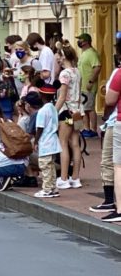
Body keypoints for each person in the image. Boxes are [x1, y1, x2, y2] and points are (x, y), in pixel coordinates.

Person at [55, 44, 84, 190]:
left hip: (67, 112)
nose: (57, 59)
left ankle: (64, 178)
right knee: (75, 143)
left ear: (64, 56)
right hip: (78, 111)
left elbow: (62, 96)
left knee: (63, 143)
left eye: (59, 56)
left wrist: (54, 112)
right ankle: (75, 177)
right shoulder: (77, 71)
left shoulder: (64, 74)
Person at [23, 91, 61, 199]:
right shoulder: (52, 107)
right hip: (53, 141)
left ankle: (47, 189)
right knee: (51, 166)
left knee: (45, 166)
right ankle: (53, 188)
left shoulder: (41, 112)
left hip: (46, 143)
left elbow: (39, 128)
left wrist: (35, 142)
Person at [99, 37, 121, 220]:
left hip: (117, 121)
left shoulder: (118, 73)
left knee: (115, 164)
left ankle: (116, 205)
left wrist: (105, 117)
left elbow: (110, 100)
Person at [76, 33, 102, 139]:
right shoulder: (84, 53)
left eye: (80, 40)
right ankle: (86, 128)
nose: (79, 42)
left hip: (88, 86)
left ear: (86, 41)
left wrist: (91, 81)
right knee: (85, 108)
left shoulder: (91, 53)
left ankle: (93, 129)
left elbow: (97, 67)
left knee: (89, 108)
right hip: (82, 86)